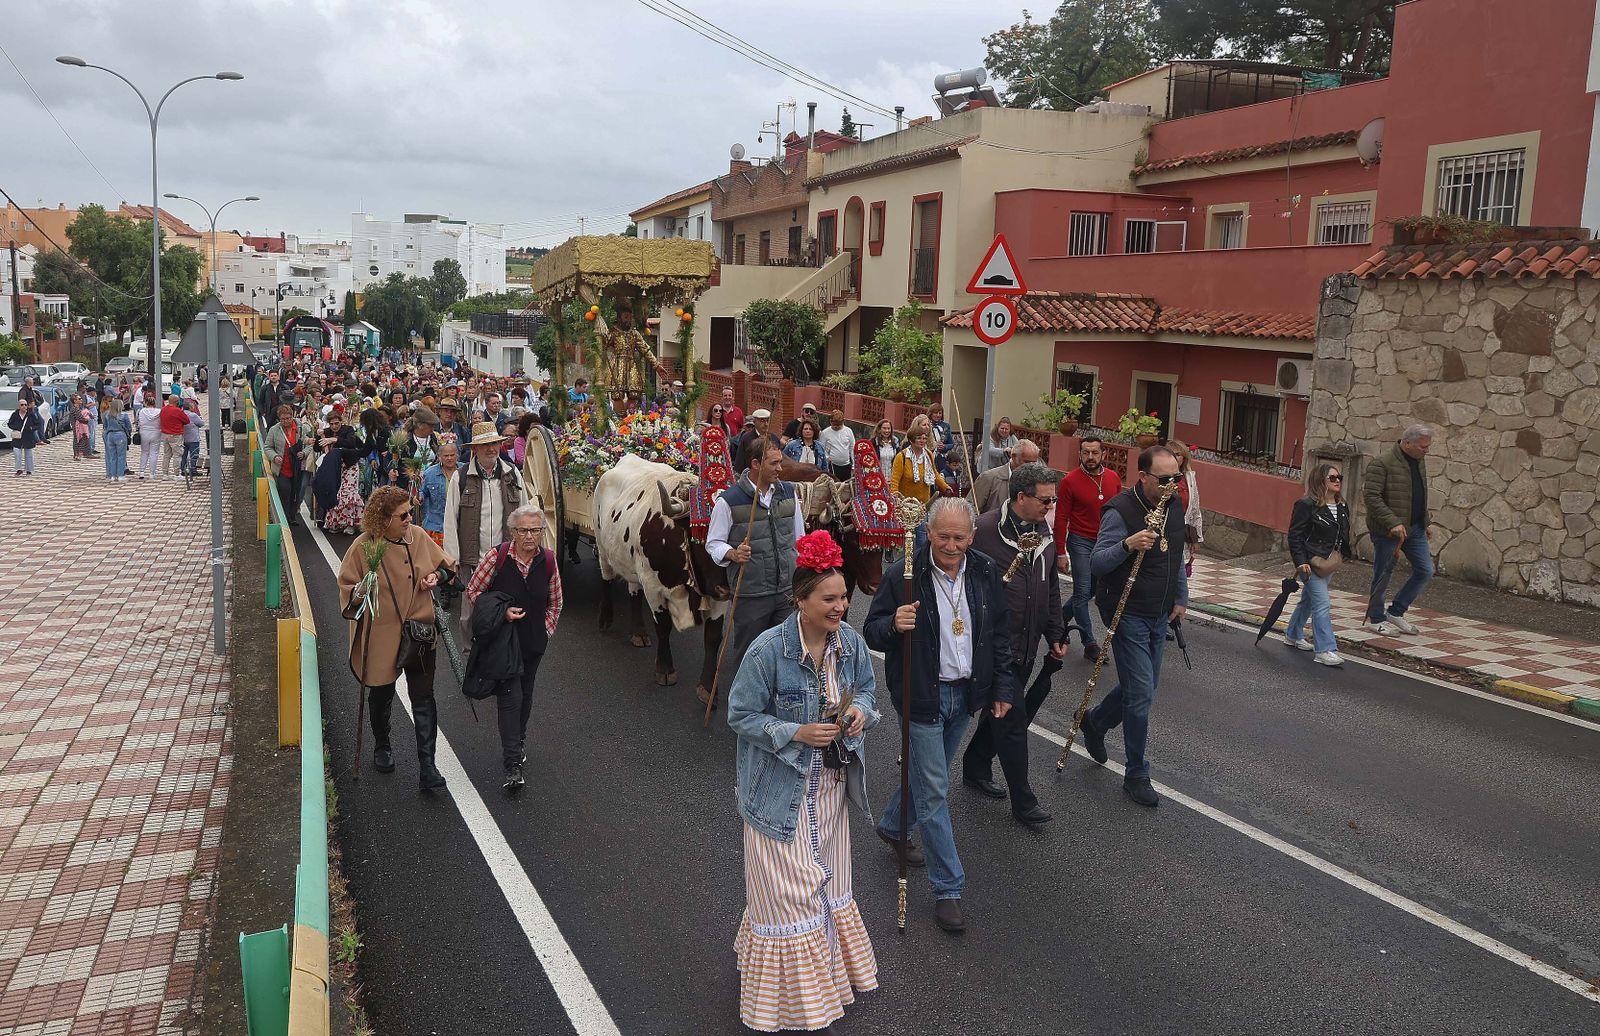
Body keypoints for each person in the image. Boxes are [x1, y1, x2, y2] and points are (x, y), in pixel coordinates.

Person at [727, 530, 880, 1032]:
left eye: (843, 597)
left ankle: (821, 991)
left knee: (828, 891)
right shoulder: (767, 651)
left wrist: (858, 711)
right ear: (801, 600)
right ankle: (790, 1007)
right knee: (790, 897)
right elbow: (740, 714)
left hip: (832, 790)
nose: (841, 607)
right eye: (829, 598)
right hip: (777, 796)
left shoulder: (850, 643)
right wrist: (795, 730)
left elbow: (867, 690)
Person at [865, 497, 1013, 933]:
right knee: (934, 789)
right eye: (943, 535)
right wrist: (895, 623)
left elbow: (998, 634)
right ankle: (948, 888)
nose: (951, 544)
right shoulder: (904, 575)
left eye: (960, 537)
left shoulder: (984, 572)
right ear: (927, 533)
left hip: (965, 695)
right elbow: (871, 631)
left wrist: (1001, 687)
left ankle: (893, 824)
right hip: (920, 695)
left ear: (972, 536)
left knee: (931, 775)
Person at [1079, 446, 1187, 808]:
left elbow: (1176, 555)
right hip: (1127, 615)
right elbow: (1097, 563)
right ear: (1143, 477)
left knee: (1144, 685)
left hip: (1159, 614)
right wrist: (1128, 544)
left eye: (1177, 478)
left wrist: (1181, 597)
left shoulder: (1174, 506)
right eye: (1165, 479)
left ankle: (1095, 723)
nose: (1172, 485)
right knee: (1141, 692)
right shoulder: (1121, 511)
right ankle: (1137, 772)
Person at [961, 462, 1066, 825]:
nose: (1050, 507)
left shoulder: (1045, 532)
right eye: (1045, 500)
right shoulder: (985, 530)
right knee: (1013, 719)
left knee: (1000, 713)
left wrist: (1056, 632)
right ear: (1021, 497)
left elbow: (1050, 587)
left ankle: (975, 766)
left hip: (1027, 645)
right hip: (991, 647)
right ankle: (1024, 801)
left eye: (1053, 500)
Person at [337, 487, 455, 792]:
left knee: (424, 696)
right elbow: (347, 588)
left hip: (419, 630)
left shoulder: (417, 536)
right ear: (384, 518)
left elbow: (448, 568)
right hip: (381, 633)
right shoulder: (363, 546)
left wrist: (437, 578)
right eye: (403, 514)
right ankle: (382, 744)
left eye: (410, 511)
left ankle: (427, 767)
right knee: (380, 693)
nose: (409, 518)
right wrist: (362, 589)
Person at [464, 503, 563, 791]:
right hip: (503, 643)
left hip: (533, 643)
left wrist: (545, 630)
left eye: (535, 530)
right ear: (513, 532)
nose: (530, 536)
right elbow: (474, 591)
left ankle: (518, 742)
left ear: (542, 532)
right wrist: (500, 614)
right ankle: (512, 764)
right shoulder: (497, 557)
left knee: (526, 693)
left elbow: (555, 602)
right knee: (511, 695)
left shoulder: (548, 560)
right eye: (523, 530)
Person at [705, 435, 805, 706]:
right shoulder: (729, 501)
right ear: (755, 464)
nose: (780, 469)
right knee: (750, 655)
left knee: (788, 652)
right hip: (750, 594)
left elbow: (799, 539)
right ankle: (745, 709)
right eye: (774, 463)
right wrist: (733, 553)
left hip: (785, 592)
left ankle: (782, 708)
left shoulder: (788, 493)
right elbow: (713, 543)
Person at [1054, 435, 1122, 660]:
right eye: (1086, 452)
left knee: (1093, 590)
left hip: (1106, 543)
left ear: (1104, 454)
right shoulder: (1070, 481)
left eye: (1094, 452)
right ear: (1080, 454)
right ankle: (1090, 643)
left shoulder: (1113, 478)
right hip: (1080, 541)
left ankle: (1060, 618)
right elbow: (1061, 517)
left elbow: (1121, 511)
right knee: (1082, 592)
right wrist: (1060, 552)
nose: (1090, 457)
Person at [1364, 424, 1435, 636]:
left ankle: (1396, 611)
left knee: (1425, 570)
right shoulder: (1382, 463)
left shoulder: (1419, 461)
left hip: (1414, 528)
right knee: (1383, 573)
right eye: (1423, 447)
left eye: (1428, 446)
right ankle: (1376, 619)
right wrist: (1392, 522)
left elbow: (1418, 493)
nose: (1427, 450)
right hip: (1388, 531)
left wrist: (1426, 521)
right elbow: (1371, 497)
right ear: (1407, 443)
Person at [1286, 462, 1351, 667]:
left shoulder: (1341, 506)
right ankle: (1325, 649)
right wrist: (1300, 562)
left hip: (1328, 562)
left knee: (1308, 601)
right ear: (1320, 481)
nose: (1337, 481)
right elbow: (1295, 535)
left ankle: (1293, 634)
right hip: (1311, 563)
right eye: (1332, 478)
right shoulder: (1306, 504)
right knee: (1322, 603)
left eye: (1339, 477)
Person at [443, 422, 525, 576]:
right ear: (475, 448)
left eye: (494, 443)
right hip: (472, 563)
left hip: (507, 560)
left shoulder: (512, 473)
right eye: (485, 445)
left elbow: (523, 514)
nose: (491, 449)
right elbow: (450, 521)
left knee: (506, 599)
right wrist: (453, 560)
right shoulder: (460, 477)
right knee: (472, 599)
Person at [318, 406, 367, 535]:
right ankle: (336, 522)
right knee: (335, 493)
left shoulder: (348, 430)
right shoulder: (326, 431)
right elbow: (317, 448)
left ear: (341, 422)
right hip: (334, 468)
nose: (334, 426)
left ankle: (350, 523)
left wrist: (335, 439)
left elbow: (351, 443)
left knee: (348, 493)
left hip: (349, 465)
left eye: (337, 423)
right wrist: (318, 436)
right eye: (332, 424)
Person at [263, 404, 314, 526]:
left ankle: (292, 516)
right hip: (282, 468)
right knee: (285, 490)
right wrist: (274, 456)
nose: (286, 421)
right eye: (283, 419)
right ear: (279, 419)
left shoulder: (301, 428)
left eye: (288, 418)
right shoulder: (274, 430)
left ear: (292, 416)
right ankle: (284, 518)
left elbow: (310, 443)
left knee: (295, 493)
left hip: (297, 467)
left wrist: (304, 453)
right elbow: (267, 447)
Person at [888, 415, 951, 506]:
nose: (922, 441)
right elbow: (894, 481)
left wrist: (946, 488)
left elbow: (935, 474)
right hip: (905, 506)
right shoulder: (902, 456)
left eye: (924, 438)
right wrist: (895, 498)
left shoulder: (929, 454)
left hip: (924, 505)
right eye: (919, 438)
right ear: (912, 440)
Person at [972, 439, 1039, 514]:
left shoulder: (1036, 481)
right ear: (1013, 457)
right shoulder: (989, 478)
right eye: (1027, 462)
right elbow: (971, 510)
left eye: (1034, 463)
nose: (1031, 466)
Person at [418, 441, 460, 547]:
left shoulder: (465, 471)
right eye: (446, 456)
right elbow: (421, 492)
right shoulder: (429, 473)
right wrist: (419, 497)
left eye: (452, 455)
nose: (449, 458)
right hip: (436, 526)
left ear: (457, 455)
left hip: (460, 526)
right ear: (439, 456)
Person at [7, 398, 45, 475]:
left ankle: (29, 470)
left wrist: (32, 428)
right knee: (17, 452)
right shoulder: (15, 414)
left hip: (28, 436)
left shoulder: (30, 414)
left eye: (25, 405)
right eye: (22, 405)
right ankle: (19, 469)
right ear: (19, 406)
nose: (24, 406)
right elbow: (10, 423)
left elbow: (37, 424)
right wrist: (15, 428)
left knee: (29, 454)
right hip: (18, 437)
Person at [159, 393, 190, 480]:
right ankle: (177, 474)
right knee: (177, 455)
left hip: (165, 434)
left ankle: (165, 474)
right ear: (177, 402)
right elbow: (187, 421)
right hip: (175, 435)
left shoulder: (163, 409)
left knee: (167, 455)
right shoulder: (178, 411)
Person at [134, 389, 163, 480]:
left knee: (144, 452)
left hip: (144, 432)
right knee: (154, 453)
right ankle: (152, 473)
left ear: (145, 402)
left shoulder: (141, 411)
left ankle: (141, 471)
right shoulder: (159, 411)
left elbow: (137, 422)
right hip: (156, 432)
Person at [819, 409, 855, 481]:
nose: (836, 427)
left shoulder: (848, 431)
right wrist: (827, 457)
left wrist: (854, 464)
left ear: (843, 422)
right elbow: (821, 448)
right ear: (830, 422)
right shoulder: (825, 433)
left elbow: (852, 448)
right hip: (832, 465)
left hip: (846, 465)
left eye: (839, 425)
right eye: (834, 425)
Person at [102, 398, 131, 482]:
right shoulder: (124, 415)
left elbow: (105, 426)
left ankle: (112, 475)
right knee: (121, 456)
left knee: (112, 456)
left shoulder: (107, 414)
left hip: (110, 435)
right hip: (120, 435)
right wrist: (128, 434)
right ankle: (120, 475)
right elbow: (128, 427)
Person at [928, 402, 957, 483]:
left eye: (940, 413)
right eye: (935, 413)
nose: (938, 415)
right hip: (930, 457)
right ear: (931, 413)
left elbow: (951, 444)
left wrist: (944, 447)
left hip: (942, 459)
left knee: (941, 480)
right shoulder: (926, 425)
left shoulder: (946, 426)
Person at [180, 397, 205, 477]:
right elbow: (201, 423)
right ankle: (193, 470)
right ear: (190, 407)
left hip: (183, 437)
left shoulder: (181, 414)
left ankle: (183, 469)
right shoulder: (193, 415)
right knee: (194, 455)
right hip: (193, 438)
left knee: (184, 455)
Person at [71, 393, 93, 461]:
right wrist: (87, 419)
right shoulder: (74, 409)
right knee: (78, 440)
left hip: (81, 427)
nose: (81, 400)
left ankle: (78, 454)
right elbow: (80, 418)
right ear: (75, 401)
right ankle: (77, 454)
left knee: (81, 439)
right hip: (77, 427)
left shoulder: (78, 408)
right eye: (79, 399)